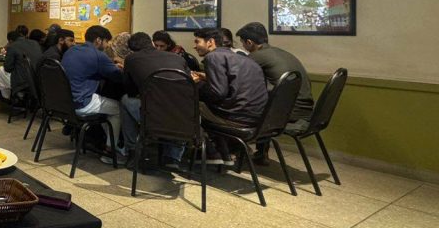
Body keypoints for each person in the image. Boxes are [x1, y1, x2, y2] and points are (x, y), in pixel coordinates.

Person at [237, 21, 315, 161]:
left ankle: (234, 151)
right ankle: (261, 154)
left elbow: (235, 76)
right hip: (306, 111)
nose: (243, 47)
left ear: (249, 42)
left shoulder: (257, 56)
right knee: (264, 101)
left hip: (289, 114)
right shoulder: (281, 53)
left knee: (236, 107)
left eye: (243, 43)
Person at [192, 28, 268, 165]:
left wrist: (194, 85)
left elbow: (217, 93)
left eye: (197, 42)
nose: (194, 46)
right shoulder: (243, 58)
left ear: (210, 42)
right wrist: (208, 78)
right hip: (258, 119)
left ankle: (211, 153)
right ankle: (224, 154)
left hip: (237, 119)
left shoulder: (213, 57)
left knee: (189, 106)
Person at [120, 32, 190, 169]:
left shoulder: (131, 59)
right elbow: (188, 83)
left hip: (153, 118)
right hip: (185, 119)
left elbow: (130, 90)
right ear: (152, 43)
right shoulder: (177, 58)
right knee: (175, 104)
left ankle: (133, 151)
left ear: (132, 50)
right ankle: (172, 157)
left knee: (125, 100)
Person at [60, 25, 123, 162]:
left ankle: (107, 140)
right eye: (106, 42)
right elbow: (119, 77)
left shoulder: (71, 50)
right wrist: (120, 66)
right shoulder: (99, 55)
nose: (107, 45)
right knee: (118, 108)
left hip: (64, 104)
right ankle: (111, 151)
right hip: (81, 104)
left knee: (108, 107)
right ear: (99, 40)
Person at [0, 29, 42, 100]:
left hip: (23, 82)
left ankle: (7, 97)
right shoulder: (35, 43)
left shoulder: (12, 46)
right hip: (38, 79)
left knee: (0, 70)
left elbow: (8, 68)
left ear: (10, 41)